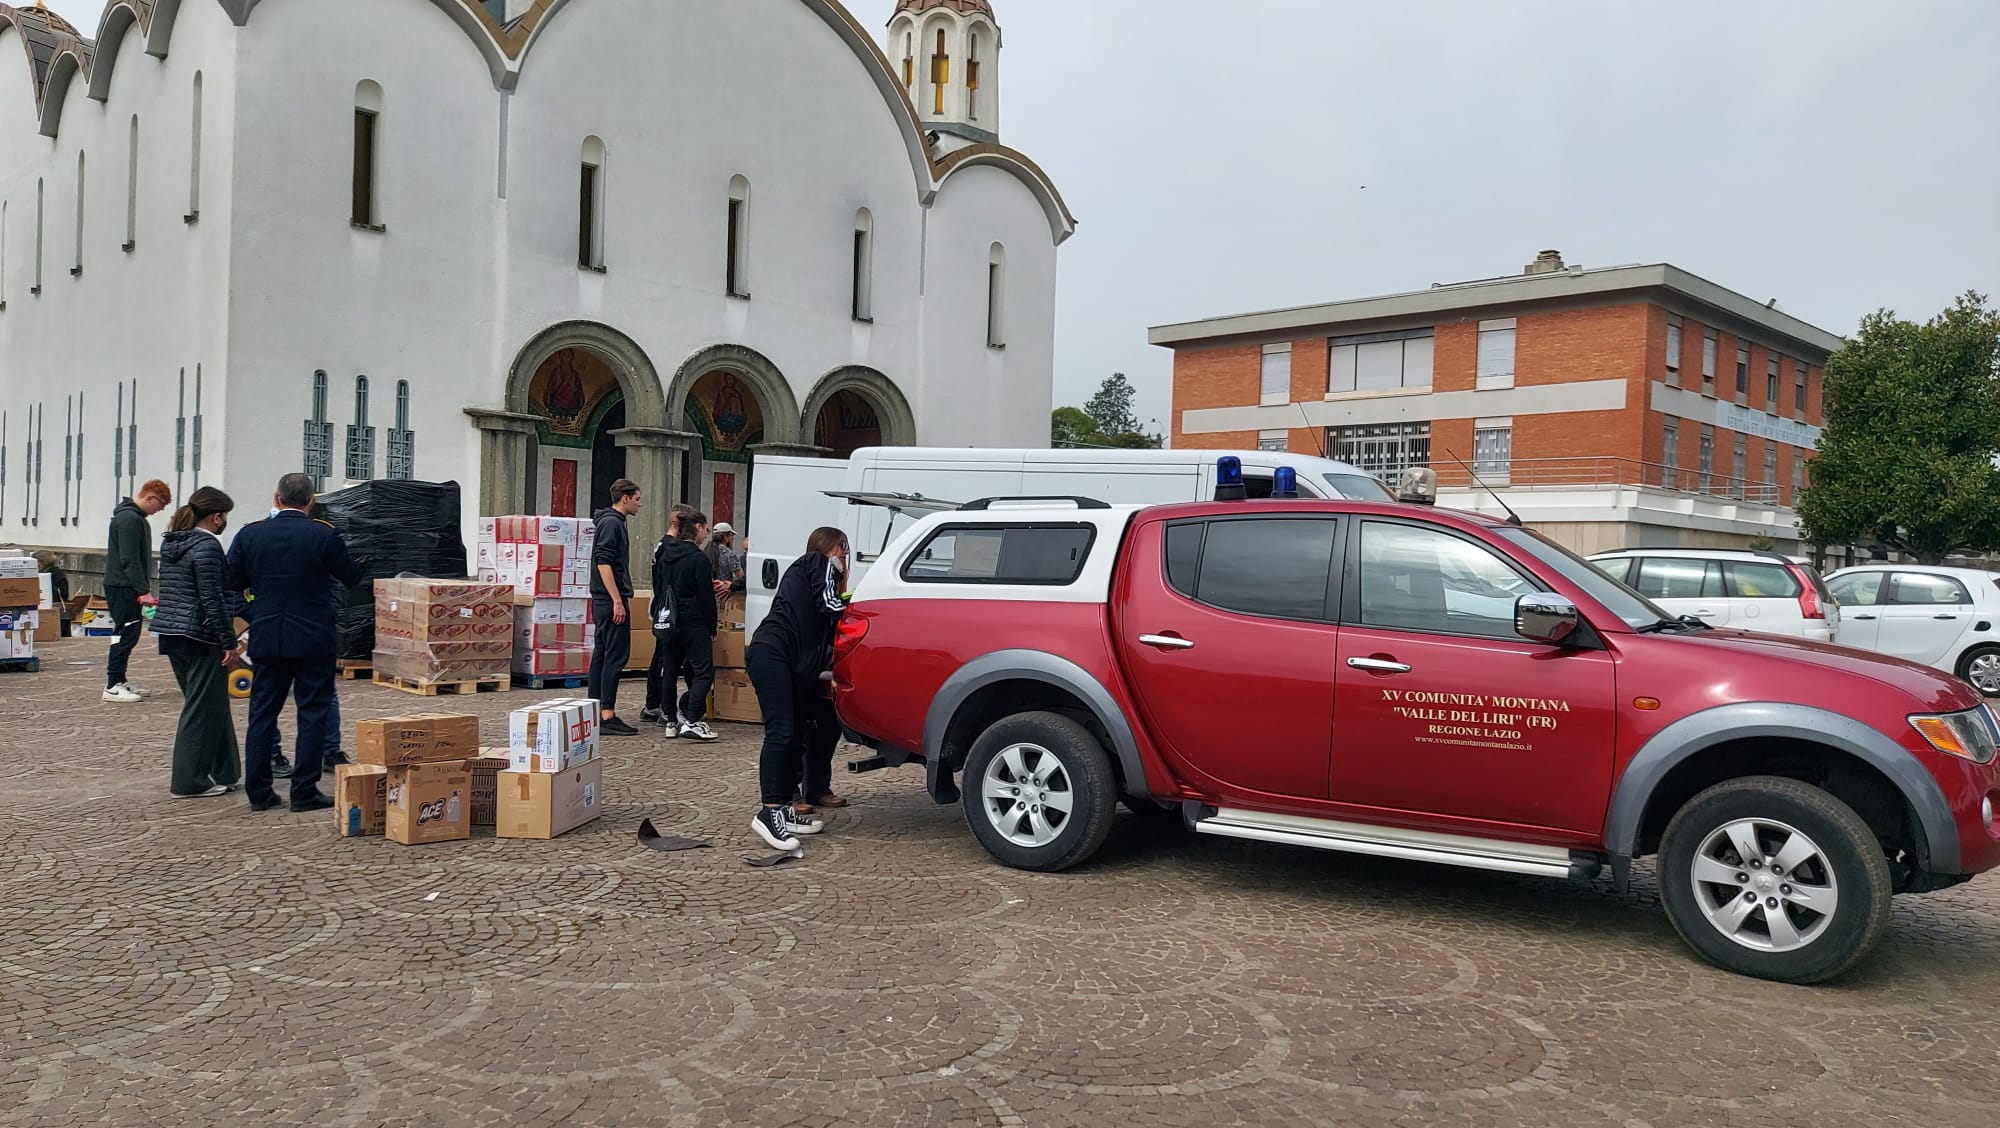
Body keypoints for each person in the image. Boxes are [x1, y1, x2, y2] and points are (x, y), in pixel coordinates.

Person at [227, 473, 363, 813]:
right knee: (313, 712)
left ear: (277, 498)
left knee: (262, 713)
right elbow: (351, 577)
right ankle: (304, 790)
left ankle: (259, 791)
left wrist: (254, 611)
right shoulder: (322, 534)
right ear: (311, 501)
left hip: (268, 633)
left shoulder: (250, 534)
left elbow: (229, 583)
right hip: (313, 635)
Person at [745, 527, 850, 851]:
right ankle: (770, 811)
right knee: (781, 732)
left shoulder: (815, 576)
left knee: (795, 733)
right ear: (836, 547)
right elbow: (834, 607)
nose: (846, 557)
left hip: (786, 659)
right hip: (771, 652)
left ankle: (786, 809)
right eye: (845, 551)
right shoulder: (816, 562)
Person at [153, 487, 243, 798]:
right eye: (225, 516)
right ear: (217, 517)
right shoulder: (207, 546)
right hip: (200, 635)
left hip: (172, 631)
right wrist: (229, 642)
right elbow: (213, 600)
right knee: (201, 710)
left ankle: (226, 770)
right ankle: (188, 780)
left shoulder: (173, 543)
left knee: (212, 704)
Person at [644, 508, 720, 741]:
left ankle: (670, 719)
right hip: (694, 621)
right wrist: (712, 626)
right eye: (705, 528)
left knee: (669, 669)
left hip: (669, 618)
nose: (706, 533)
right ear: (697, 528)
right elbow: (706, 597)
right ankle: (693, 718)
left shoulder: (665, 554)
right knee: (703, 672)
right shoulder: (698, 559)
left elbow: (659, 586)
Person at [103, 478, 172, 703]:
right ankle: (112, 684)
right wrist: (143, 590)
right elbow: (129, 558)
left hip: (125, 585)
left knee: (128, 633)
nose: (159, 510)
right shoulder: (129, 519)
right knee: (125, 633)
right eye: (159, 505)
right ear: (150, 497)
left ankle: (119, 680)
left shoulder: (132, 518)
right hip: (123, 586)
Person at [590, 479, 643, 737]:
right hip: (609, 599)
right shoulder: (612, 524)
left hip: (602, 599)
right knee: (615, 655)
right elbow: (604, 563)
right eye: (637, 499)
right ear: (625, 498)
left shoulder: (610, 521)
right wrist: (617, 600)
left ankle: (594, 709)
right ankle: (607, 713)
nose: (639, 504)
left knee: (602, 653)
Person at [704, 523, 745, 600]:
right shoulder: (728, 553)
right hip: (724, 593)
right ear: (726, 537)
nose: (732, 538)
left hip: (708, 594)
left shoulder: (706, 551)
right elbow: (740, 575)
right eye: (731, 535)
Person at [33, 551, 69, 638]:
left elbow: (59, 592)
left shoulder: (52, 573)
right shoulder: (51, 571)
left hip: (55, 608)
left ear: (42, 562)